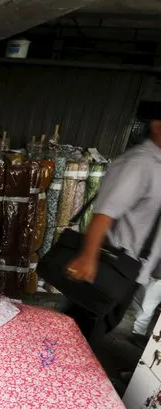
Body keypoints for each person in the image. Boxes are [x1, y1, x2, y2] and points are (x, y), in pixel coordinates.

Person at [66, 108, 161, 344]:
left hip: (132, 270)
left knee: (94, 330)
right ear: (157, 125)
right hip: (110, 267)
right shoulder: (139, 164)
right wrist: (88, 257)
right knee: (80, 334)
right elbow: (105, 213)